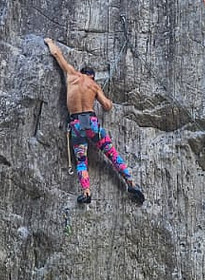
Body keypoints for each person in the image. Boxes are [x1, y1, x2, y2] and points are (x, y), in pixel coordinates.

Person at [44, 38, 145, 207]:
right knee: (111, 153)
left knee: (81, 160)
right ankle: (131, 182)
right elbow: (107, 106)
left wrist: (49, 42)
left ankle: (86, 192)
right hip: (91, 122)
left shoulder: (72, 74)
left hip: (76, 123)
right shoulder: (94, 85)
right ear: (92, 76)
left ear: (82, 72)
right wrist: (107, 100)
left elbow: (56, 53)